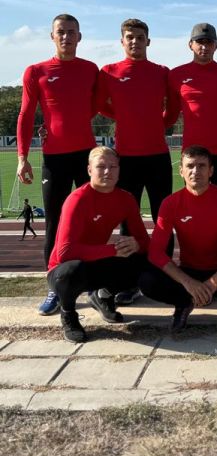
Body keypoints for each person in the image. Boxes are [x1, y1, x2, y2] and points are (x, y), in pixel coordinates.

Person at [16, 13, 99, 316]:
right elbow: (26, 115)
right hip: (54, 159)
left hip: (86, 156)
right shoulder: (36, 71)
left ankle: (93, 285)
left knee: (92, 220)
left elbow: (94, 106)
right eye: (60, 32)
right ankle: (54, 286)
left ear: (80, 37)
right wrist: (22, 157)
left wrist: (69, 123)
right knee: (54, 222)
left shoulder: (90, 69)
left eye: (71, 32)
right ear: (52, 36)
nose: (66, 37)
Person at [139, 146, 217, 335]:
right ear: (181, 171)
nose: (195, 171)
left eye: (202, 166)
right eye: (190, 166)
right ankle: (184, 302)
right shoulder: (170, 203)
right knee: (147, 281)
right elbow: (155, 253)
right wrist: (188, 282)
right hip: (189, 271)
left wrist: (212, 282)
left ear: (211, 171)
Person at [95, 18, 173, 304]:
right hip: (126, 158)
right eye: (130, 37)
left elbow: (174, 108)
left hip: (158, 156)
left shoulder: (161, 72)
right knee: (128, 222)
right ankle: (129, 280)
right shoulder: (109, 72)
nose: (135, 42)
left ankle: (164, 275)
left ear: (148, 41)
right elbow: (100, 105)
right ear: (122, 41)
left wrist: (156, 123)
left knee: (164, 219)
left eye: (140, 37)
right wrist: (125, 116)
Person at [47, 147, 150, 343]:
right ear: (89, 170)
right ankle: (68, 315)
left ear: (119, 170)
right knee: (71, 270)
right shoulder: (77, 199)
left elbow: (145, 242)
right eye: (101, 167)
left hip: (95, 263)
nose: (107, 172)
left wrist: (136, 245)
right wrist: (114, 250)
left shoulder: (126, 199)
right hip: (62, 270)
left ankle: (103, 296)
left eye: (113, 167)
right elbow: (65, 253)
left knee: (144, 262)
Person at [165, 22, 217, 192]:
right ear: (190, 44)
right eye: (199, 42)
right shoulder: (176, 75)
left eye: (209, 42)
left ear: (216, 45)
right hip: (191, 157)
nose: (204, 47)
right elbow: (170, 116)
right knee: (194, 207)